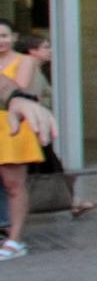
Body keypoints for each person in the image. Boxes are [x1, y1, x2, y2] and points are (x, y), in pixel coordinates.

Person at [0, 30, 53, 259]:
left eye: (4, 35)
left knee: (14, 184)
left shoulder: (26, 61)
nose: (1, 41)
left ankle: (15, 238)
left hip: (13, 124)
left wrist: (16, 98)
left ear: (13, 37)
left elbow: (18, 87)